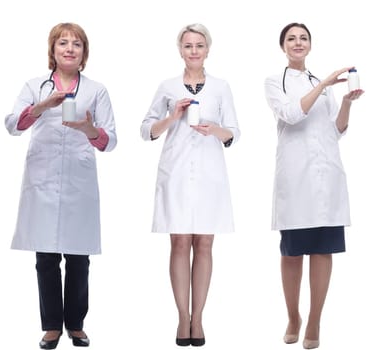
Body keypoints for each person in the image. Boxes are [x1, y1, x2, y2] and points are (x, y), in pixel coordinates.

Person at [4, 22, 117, 349]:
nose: (70, 48)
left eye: (77, 44)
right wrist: (42, 107)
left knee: (79, 257)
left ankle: (76, 324)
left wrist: (88, 129)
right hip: (43, 179)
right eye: (63, 43)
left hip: (79, 183)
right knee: (46, 257)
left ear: (84, 54)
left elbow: (110, 141)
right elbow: (13, 125)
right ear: (52, 51)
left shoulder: (96, 90)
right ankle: (52, 325)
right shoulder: (34, 86)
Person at [264, 22, 364, 350]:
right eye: (291, 38)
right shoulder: (274, 82)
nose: (298, 43)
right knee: (293, 253)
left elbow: (337, 130)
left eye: (303, 38)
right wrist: (323, 84)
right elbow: (292, 114)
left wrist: (347, 100)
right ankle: (293, 315)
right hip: (296, 180)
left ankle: (315, 319)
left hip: (328, 178)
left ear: (310, 44)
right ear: (283, 46)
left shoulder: (321, 85)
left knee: (323, 251)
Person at [140, 23, 240, 347]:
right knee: (180, 243)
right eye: (188, 46)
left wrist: (215, 129)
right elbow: (146, 130)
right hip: (177, 173)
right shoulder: (168, 86)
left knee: (206, 244)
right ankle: (183, 317)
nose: (193, 50)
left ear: (208, 50)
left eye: (199, 45)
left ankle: (199, 318)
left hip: (210, 175)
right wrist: (172, 117)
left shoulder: (221, 87)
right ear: (180, 50)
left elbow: (234, 133)